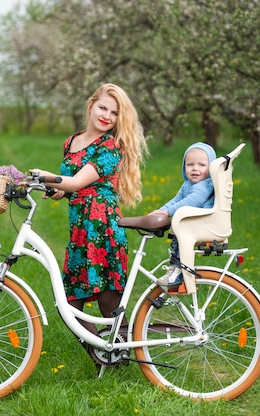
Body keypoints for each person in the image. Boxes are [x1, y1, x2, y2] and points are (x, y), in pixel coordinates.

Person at [36, 83, 148, 340]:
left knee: (108, 304)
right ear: (91, 105)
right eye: (103, 108)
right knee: (70, 305)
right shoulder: (71, 141)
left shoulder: (110, 147)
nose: (106, 116)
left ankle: (122, 355)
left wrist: (44, 176)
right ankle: (103, 354)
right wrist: (58, 190)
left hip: (102, 229)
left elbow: (75, 182)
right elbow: (72, 185)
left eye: (114, 113)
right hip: (79, 230)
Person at [150, 142, 217, 286]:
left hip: (204, 223)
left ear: (211, 168)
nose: (195, 169)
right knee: (178, 237)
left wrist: (168, 212)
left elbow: (191, 201)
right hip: (192, 222)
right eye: (190, 164)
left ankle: (179, 269)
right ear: (184, 167)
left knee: (181, 236)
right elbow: (177, 199)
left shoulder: (205, 185)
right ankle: (176, 265)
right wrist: (162, 211)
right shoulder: (188, 184)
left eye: (201, 165)